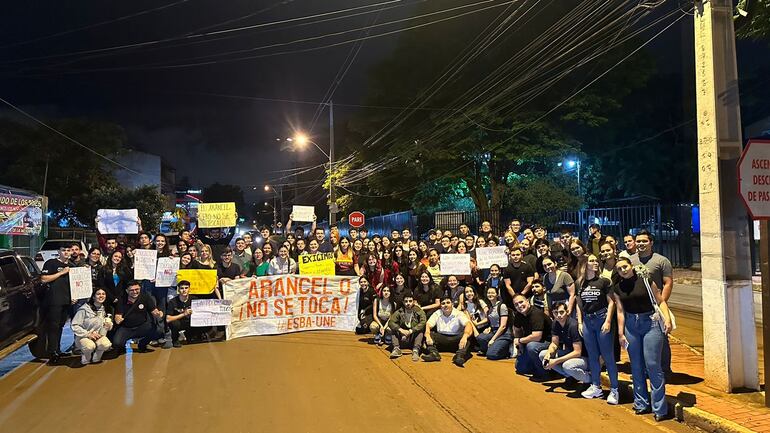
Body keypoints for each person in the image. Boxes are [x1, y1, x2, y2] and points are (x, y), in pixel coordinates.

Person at [612, 257, 673, 421]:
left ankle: (659, 408)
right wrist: (620, 333)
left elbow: (660, 301)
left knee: (652, 364)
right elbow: (619, 311)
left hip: (651, 322)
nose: (623, 270)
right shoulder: (617, 288)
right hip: (631, 325)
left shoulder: (645, 280)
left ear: (631, 266)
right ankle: (641, 403)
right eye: (619, 269)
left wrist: (666, 319)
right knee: (636, 366)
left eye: (625, 266)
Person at [577, 254, 619, 404]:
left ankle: (615, 389)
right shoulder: (580, 283)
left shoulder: (604, 281)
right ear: (585, 264)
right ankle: (596, 386)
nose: (595, 263)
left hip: (602, 319)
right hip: (588, 322)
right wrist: (580, 322)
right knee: (593, 356)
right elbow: (579, 304)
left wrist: (608, 321)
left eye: (596, 261)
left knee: (608, 356)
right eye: (592, 261)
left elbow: (611, 303)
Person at [632, 230, 674, 376]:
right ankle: (644, 370)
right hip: (637, 308)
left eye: (644, 241)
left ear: (651, 242)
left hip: (656, 306)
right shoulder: (630, 261)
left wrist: (662, 303)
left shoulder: (661, 261)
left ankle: (664, 370)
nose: (641, 244)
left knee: (661, 338)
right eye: (638, 241)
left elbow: (668, 283)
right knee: (640, 339)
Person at [538, 302, 591, 388]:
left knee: (567, 366)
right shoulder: (556, 323)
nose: (559, 315)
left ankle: (589, 379)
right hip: (570, 353)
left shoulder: (573, 325)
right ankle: (571, 376)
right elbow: (554, 343)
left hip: (584, 358)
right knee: (543, 355)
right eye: (556, 312)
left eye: (561, 312)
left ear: (567, 312)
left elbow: (577, 352)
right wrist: (548, 354)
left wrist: (555, 361)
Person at [40, 242, 75, 363]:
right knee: (53, 327)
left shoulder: (72, 266)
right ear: (59, 252)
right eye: (64, 250)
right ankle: (52, 352)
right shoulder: (51, 263)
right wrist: (61, 273)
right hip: (54, 301)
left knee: (60, 326)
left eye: (68, 250)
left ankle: (58, 350)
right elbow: (44, 279)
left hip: (66, 301)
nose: (66, 252)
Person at [113, 280, 164, 353]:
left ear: (140, 288)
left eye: (137, 289)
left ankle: (142, 344)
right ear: (127, 291)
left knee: (158, 331)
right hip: (126, 328)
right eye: (131, 290)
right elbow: (118, 315)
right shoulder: (121, 300)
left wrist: (158, 313)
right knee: (117, 343)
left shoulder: (145, 297)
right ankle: (122, 347)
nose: (135, 292)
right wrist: (118, 319)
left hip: (142, 326)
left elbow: (154, 310)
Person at [422, 296, 474, 367]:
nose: (445, 305)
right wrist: (427, 335)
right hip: (441, 339)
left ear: (452, 304)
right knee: (430, 334)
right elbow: (428, 324)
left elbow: (468, 324)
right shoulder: (437, 313)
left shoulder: (459, 313)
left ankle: (459, 357)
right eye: (443, 303)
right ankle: (434, 354)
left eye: (448, 303)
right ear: (440, 306)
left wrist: (465, 336)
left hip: (456, 341)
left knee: (467, 337)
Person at [512, 294, 552, 380]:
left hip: (549, 342)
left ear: (527, 301)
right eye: (516, 304)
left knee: (531, 346)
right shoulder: (519, 314)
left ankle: (545, 373)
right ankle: (537, 366)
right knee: (520, 368)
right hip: (533, 342)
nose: (519, 305)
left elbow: (537, 336)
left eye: (521, 302)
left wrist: (520, 340)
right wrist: (519, 346)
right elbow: (516, 329)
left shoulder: (536, 313)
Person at [70, 288, 113, 364]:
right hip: (83, 337)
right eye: (98, 294)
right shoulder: (84, 309)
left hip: (98, 336)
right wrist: (88, 334)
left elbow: (106, 325)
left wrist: (109, 326)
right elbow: (74, 325)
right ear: (93, 296)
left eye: (103, 294)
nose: (101, 296)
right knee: (89, 346)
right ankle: (86, 356)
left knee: (106, 344)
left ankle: (96, 357)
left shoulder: (104, 309)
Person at [476, 286, 512, 359]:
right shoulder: (491, 308)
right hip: (493, 331)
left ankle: (507, 350)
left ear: (497, 294)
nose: (490, 294)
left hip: (503, 333)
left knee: (491, 355)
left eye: (492, 293)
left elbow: (503, 326)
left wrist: (492, 339)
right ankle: (492, 348)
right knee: (480, 337)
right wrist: (489, 327)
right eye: (488, 293)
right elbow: (491, 320)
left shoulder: (502, 306)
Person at [387, 293, 426, 361]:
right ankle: (396, 349)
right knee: (394, 329)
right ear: (403, 302)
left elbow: (423, 322)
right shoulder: (399, 311)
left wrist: (411, 331)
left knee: (420, 331)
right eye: (406, 301)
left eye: (410, 301)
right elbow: (391, 322)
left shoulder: (419, 311)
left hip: (413, 336)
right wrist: (400, 329)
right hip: (402, 336)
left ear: (413, 302)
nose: (408, 303)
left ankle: (416, 350)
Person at [166, 281, 200, 347]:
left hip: (190, 322)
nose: (184, 290)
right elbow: (168, 319)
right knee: (174, 324)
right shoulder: (172, 302)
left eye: (186, 288)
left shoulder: (195, 300)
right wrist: (184, 314)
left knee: (206, 325)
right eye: (182, 288)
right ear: (178, 290)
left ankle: (190, 336)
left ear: (189, 289)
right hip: (179, 322)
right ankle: (175, 340)